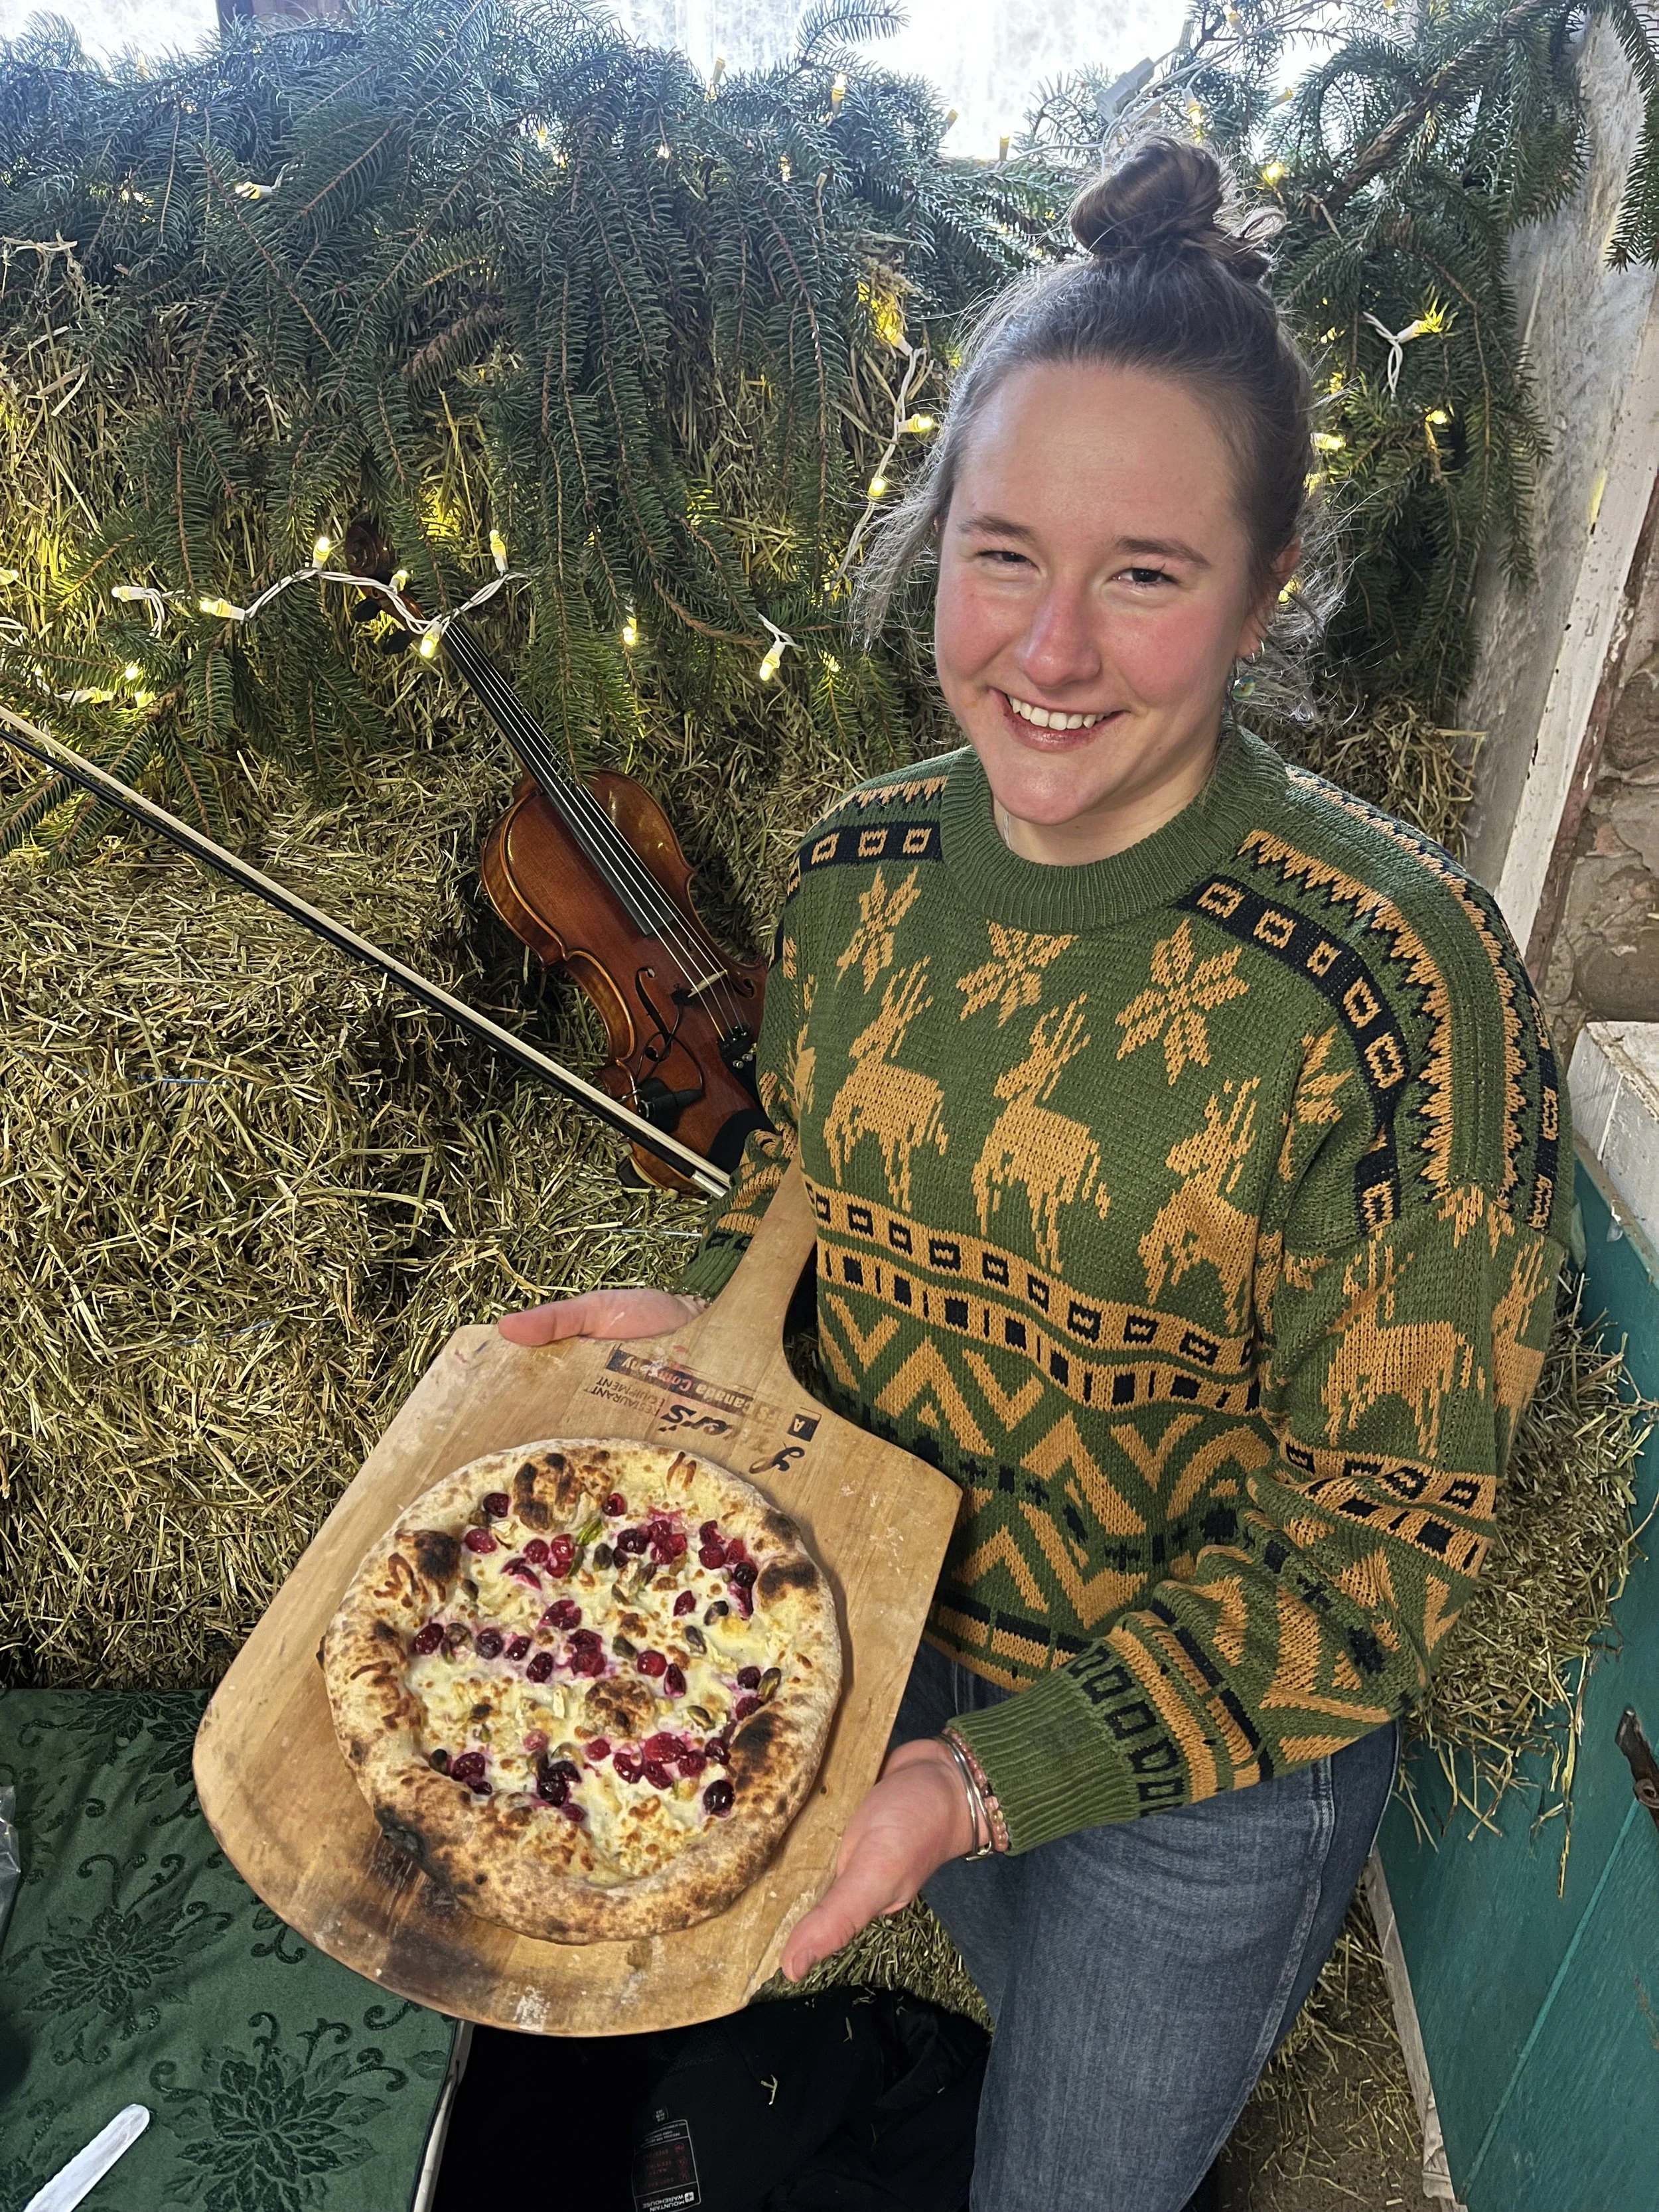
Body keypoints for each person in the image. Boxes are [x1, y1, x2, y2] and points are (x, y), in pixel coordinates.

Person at [498, 136, 1571, 2212]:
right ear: (937, 546)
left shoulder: (1393, 979)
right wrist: (725, 1322)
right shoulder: (863, 860)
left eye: (1144, 574)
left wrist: (981, 1785)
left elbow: (1370, 1554)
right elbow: (812, 1164)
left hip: (1201, 1783)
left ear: (1264, 590)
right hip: (884, 1618)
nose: (1050, 651)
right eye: (1002, 554)